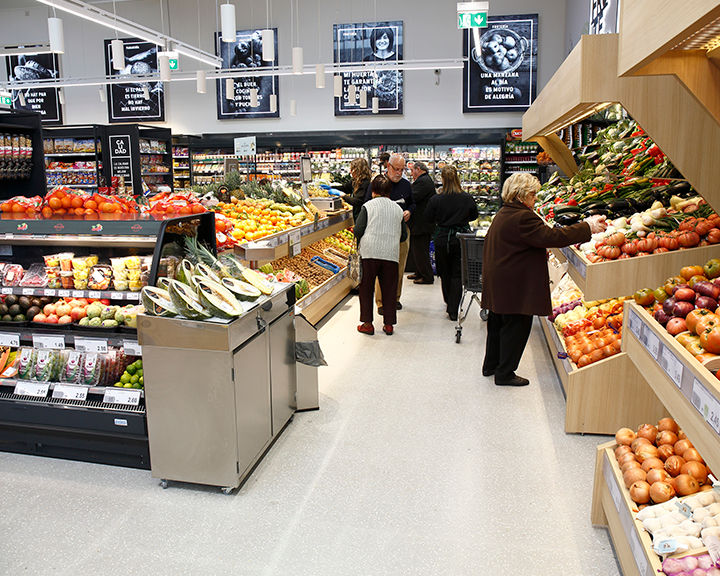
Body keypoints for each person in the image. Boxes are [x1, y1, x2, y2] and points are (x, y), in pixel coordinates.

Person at [481, 172, 607, 387]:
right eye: (533, 194)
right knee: (516, 326)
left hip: (500, 278)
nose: (535, 198)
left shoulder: (505, 212)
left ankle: (491, 365)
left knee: (497, 324)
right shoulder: (523, 216)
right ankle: (505, 373)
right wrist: (588, 227)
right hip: (514, 283)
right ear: (522, 195)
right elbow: (551, 237)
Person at [354, 175, 407, 336]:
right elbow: (403, 236)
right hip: (390, 253)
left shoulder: (368, 206)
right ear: (389, 192)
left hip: (369, 252)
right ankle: (389, 324)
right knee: (390, 290)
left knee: (366, 288)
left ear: (373, 191)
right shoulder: (398, 209)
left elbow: (358, 230)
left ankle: (368, 324)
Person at [364, 154, 415, 314]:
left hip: (401, 231)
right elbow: (366, 204)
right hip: (380, 231)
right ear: (388, 166)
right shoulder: (377, 183)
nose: (399, 173)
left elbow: (413, 203)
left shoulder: (406, 185)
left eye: (402, 169)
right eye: (396, 169)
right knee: (382, 266)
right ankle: (380, 303)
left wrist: (409, 211)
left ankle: (395, 299)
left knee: (399, 266)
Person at [425, 166, 478, 321]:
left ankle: (449, 300)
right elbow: (474, 215)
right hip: (461, 239)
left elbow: (428, 217)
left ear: (442, 179)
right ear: (457, 178)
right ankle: (453, 308)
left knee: (444, 272)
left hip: (442, 238)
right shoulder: (466, 197)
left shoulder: (436, 199)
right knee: (457, 273)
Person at [407, 161, 437, 284]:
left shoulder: (423, 181)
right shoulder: (424, 180)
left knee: (421, 251)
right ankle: (419, 272)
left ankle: (427, 276)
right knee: (417, 249)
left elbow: (413, 196)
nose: (411, 173)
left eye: (412, 171)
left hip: (422, 223)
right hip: (421, 222)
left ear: (418, 169)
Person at [338, 158, 372, 222]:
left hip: (363, 217)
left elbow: (357, 202)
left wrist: (343, 196)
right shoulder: (355, 181)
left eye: (352, 169)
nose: (350, 172)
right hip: (357, 216)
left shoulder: (365, 183)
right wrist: (330, 187)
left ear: (358, 170)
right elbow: (345, 188)